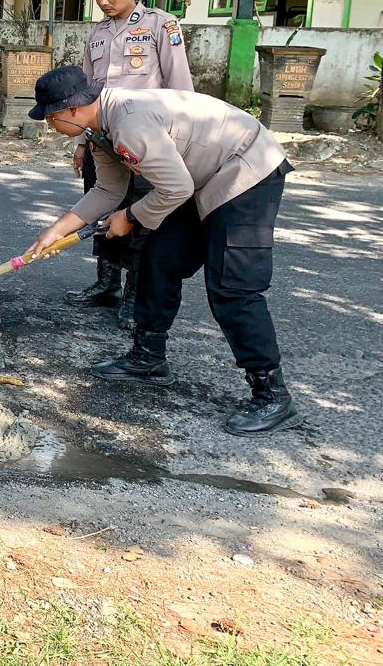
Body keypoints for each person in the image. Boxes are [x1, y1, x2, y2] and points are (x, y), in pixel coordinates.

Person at [24, 66, 299, 437]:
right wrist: (54, 231)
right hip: (196, 179)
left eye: (51, 118)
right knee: (159, 259)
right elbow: (107, 192)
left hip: (244, 169)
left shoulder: (128, 123)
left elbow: (174, 188)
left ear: (72, 109)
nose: (50, 126)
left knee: (232, 285)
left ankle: (272, 393)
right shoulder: (99, 130)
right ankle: (148, 357)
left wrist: (131, 216)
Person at [66, 0, 194, 329]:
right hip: (103, 138)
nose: (103, 1)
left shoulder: (161, 25)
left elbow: (180, 85)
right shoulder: (97, 34)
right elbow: (85, 95)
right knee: (103, 207)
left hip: (147, 140)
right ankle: (107, 283)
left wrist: (179, 142)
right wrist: (80, 143)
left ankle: (137, 295)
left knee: (140, 217)